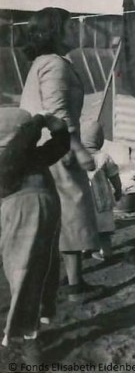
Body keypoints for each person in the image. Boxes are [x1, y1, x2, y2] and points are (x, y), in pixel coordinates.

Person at [20, 7, 102, 302]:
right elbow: (57, 112)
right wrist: (78, 149)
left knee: (62, 212)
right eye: (69, 28)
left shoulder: (43, 62)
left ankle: (72, 279)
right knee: (72, 209)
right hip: (57, 146)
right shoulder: (54, 65)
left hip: (43, 145)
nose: (75, 32)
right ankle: (75, 287)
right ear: (55, 33)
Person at [0, 108, 69, 363]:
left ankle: (29, 333)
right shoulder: (8, 158)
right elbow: (17, 149)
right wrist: (38, 123)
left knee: (37, 273)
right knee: (24, 273)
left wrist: (58, 128)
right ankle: (25, 336)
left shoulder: (32, 156)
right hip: (22, 218)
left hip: (40, 219)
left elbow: (59, 146)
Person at [81, 121, 122, 261]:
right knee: (104, 229)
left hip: (82, 200)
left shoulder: (77, 157)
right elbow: (114, 176)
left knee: (84, 224)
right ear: (99, 139)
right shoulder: (104, 157)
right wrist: (118, 189)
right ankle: (106, 252)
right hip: (102, 200)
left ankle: (85, 248)